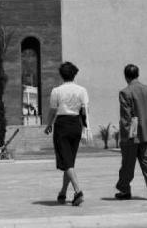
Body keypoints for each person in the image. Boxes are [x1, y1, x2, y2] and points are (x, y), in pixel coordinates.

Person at [115, 64, 147, 201]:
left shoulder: (125, 92)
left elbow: (126, 117)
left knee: (128, 164)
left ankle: (124, 190)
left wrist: (129, 136)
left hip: (132, 135)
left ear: (126, 76)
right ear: (137, 74)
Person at [44, 61, 89, 206]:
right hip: (76, 124)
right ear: (74, 74)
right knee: (69, 161)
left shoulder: (56, 91)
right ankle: (63, 192)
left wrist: (49, 124)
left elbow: (52, 110)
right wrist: (85, 127)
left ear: (61, 75)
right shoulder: (82, 90)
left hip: (62, 125)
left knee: (66, 161)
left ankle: (78, 191)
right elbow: (85, 111)